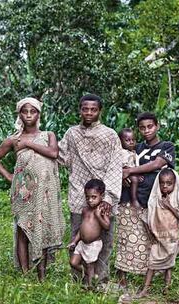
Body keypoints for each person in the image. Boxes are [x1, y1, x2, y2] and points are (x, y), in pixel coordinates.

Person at [0, 97, 65, 281]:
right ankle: (24, 273)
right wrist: (9, 176)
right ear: (20, 114)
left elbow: (53, 154)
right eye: (25, 111)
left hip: (46, 193)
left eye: (33, 111)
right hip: (24, 193)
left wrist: (29, 143)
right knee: (24, 228)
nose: (29, 115)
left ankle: (42, 273)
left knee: (44, 227)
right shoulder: (14, 139)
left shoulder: (48, 135)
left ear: (39, 114)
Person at [58, 94, 122, 283]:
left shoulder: (109, 135)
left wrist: (108, 198)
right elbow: (61, 155)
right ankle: (79, 279)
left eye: (93, 109)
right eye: (85, 109)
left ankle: (100, 279)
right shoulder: (72, 134)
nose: (89, 112)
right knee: (79, 236)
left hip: (103, 195)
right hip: (80, 194)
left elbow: (115, 166)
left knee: (105, 239)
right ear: (80, 110)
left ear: (99, 111)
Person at [118, 112, 175, 289]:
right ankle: (122, 279)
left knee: (157, 240)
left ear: (157, 126)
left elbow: (157, 164)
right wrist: (125, 174)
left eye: (150, 126)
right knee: (127, 239)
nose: (146, 130)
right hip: (131, 199)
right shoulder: (136, 146)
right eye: (142, 127)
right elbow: (123, 164)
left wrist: (133, 171)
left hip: (157, 201)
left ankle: (155, 281)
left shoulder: (167, 146)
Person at [137, 168, 179, 297]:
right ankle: (145, 289)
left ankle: (167, 288)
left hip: (171, 238)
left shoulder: (176, 199)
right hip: (158, 237)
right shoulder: (156, 198)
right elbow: (151, 217)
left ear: (175, 184)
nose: (165, 186)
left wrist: (169, 206)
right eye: (162, 183)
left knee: (169, 265)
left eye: (169, 183)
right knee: (152, 263)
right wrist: (152, 233)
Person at [68, 179, 110, 286]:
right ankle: (90, 274)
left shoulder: (102, 210)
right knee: (73, 262)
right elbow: (81, 229)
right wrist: (74, 241)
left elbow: (107, 226)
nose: (90, 200)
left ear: (102, 196)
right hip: (82, 243)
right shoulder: (85, 210)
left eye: (94, 197)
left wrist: (98, 216)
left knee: (90, 265)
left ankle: (91, 287)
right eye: (87, 197)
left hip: (93, 244)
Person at [115, 127, 140, 287]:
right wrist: (127, 173)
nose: (131, 142)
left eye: (133, 140)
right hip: (123, 200)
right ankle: (121, 273)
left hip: (134, 202)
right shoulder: (121, 154)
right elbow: (120, 168)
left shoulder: (136, 153)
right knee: (123, 238)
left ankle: (130, 270)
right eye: (127, 140)